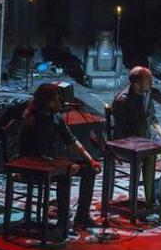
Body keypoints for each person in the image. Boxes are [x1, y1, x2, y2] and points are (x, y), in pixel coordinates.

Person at [20, 83, 102, 230]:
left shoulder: (55, 117)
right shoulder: (35, 120)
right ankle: (62, 222)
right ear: (46, 101)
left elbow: (71, 140)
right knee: (65, 174)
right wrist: (65, 165)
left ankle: (82, 217)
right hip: (33, 165)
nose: (60, 103)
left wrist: (90, 159)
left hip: (50, 161)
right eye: (55, 100)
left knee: (89, 169)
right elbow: (39, 154)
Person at [112, 66, 161, 205]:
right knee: (152, 156)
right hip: (129, 144)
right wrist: (152, 148)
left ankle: (157, 189)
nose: (151, 84)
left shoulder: (146, 93)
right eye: (148, 81)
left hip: (149, 140)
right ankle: (151, 200)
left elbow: (152, 118)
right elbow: (124, 133)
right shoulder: (122, 101)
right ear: (137, 83)